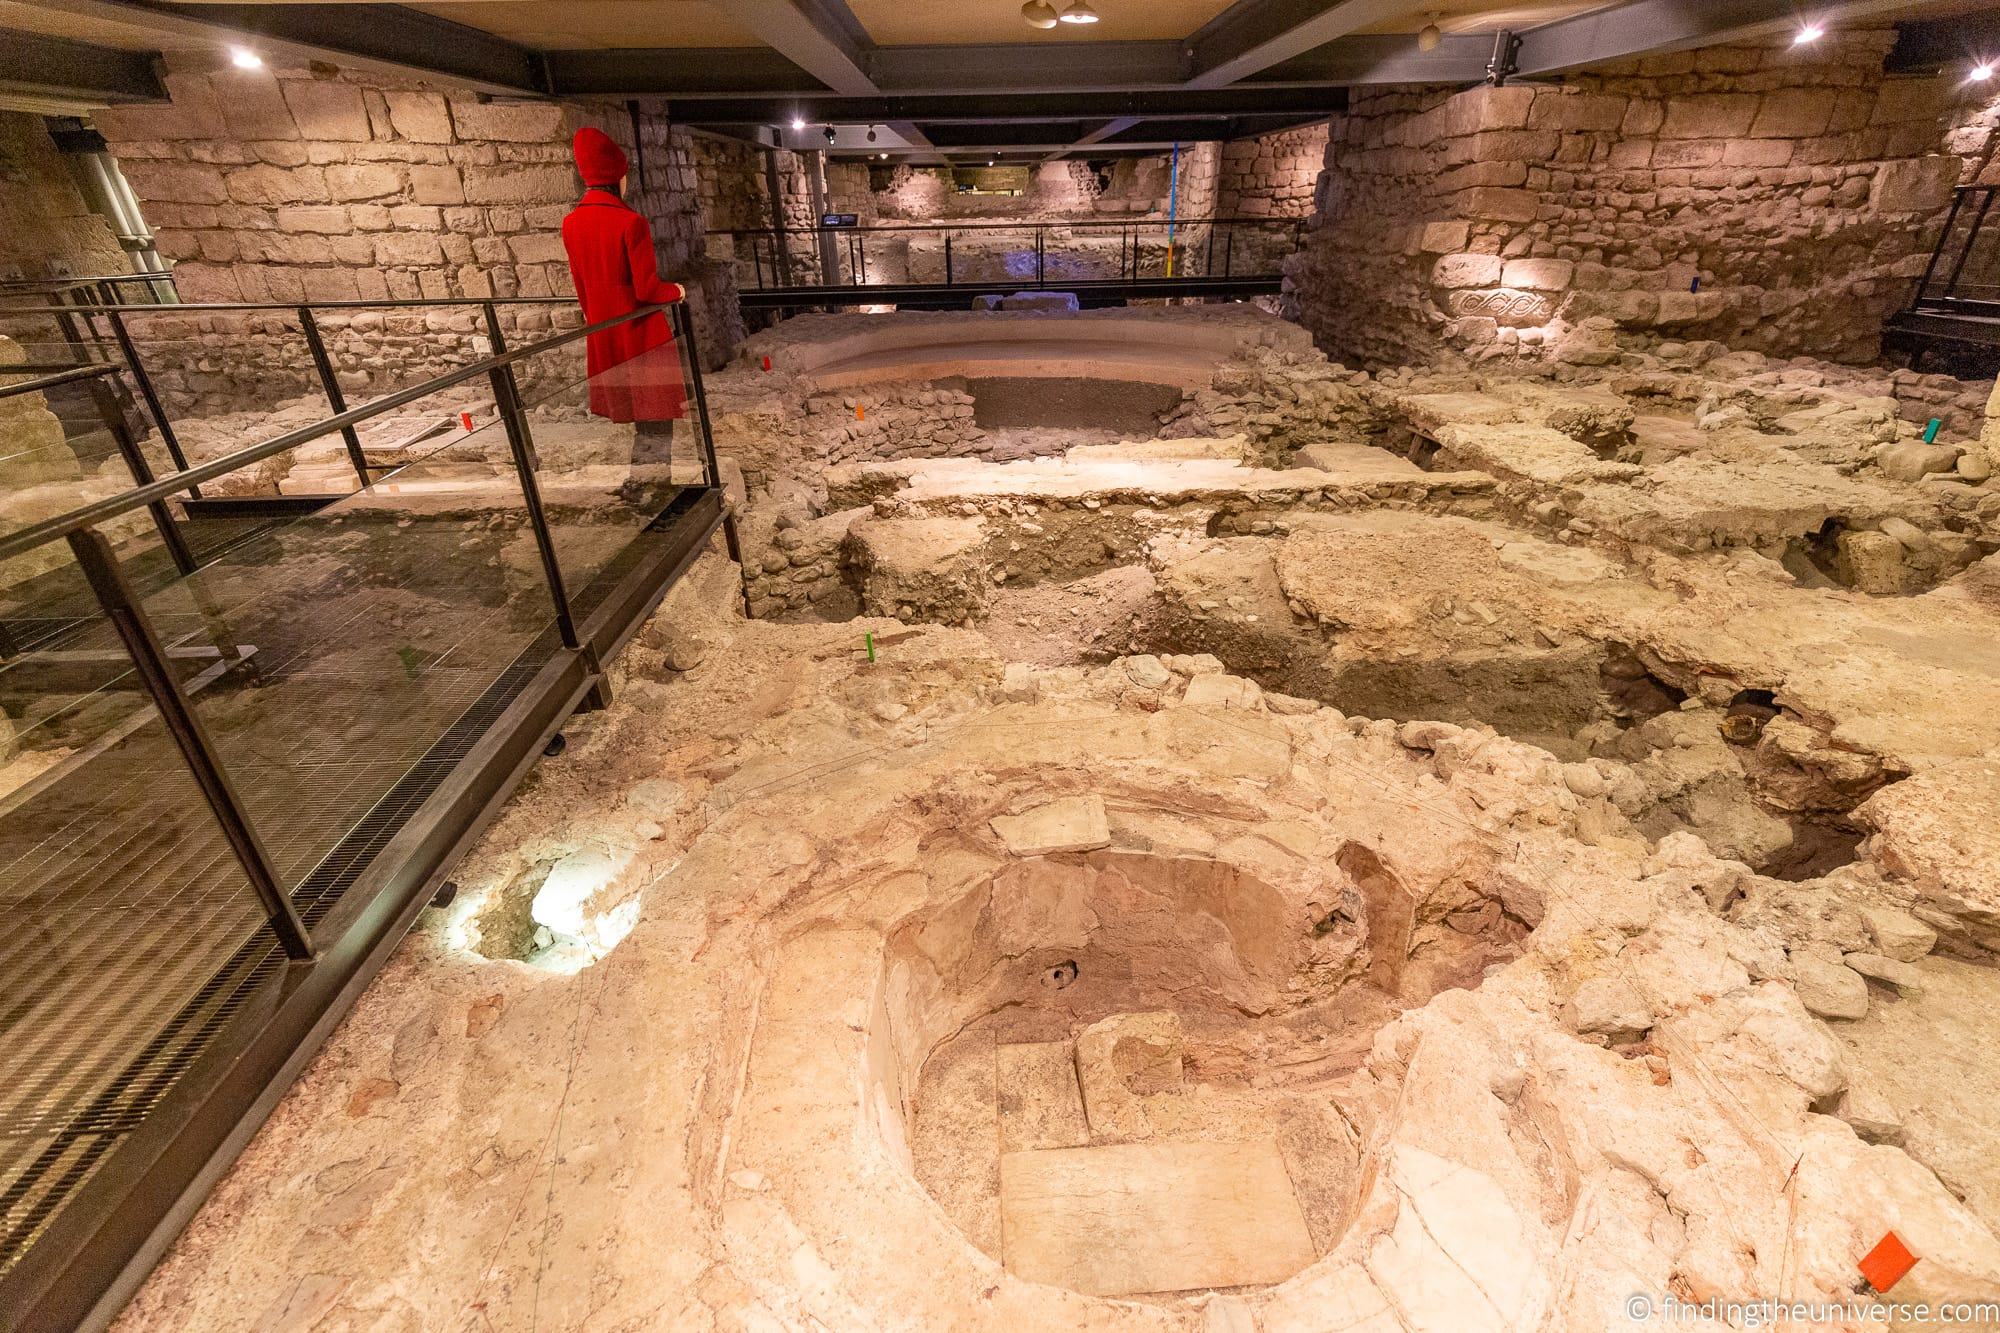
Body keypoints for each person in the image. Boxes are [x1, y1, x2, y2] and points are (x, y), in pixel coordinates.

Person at [561, 125, 686, 465]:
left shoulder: (571, 223)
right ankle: (651, 489)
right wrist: (677, 291)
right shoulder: (630, 223)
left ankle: (641, 485)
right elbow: (647, 290)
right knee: (658, 423)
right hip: (641, 337)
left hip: (606, 336)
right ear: (617, 177)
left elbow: (583, 290)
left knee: (643, 423)